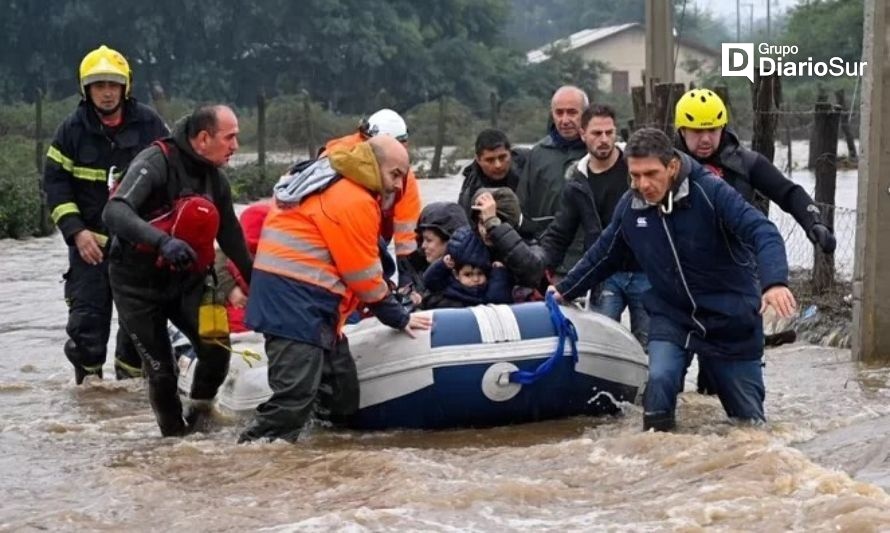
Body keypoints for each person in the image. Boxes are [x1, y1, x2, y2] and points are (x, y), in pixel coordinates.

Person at [549, 128, 796, 431]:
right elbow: (603, 255)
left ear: (673, 166)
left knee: (749, 427)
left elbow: (764, 232)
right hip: (672, 317)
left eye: (651, 174)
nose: (643, 184)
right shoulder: (631, 206)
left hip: (731, 318)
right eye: (635, 175)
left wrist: (774, 283)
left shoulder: (711, 192)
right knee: (659, 381)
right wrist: (563, 290)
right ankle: (657, 457)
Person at [240, 136, 431, 443]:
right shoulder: (353, 198)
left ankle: (326, 460)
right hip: (294, 307)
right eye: (395, 175)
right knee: (293, 399)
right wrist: (401, 317)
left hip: (311, 307)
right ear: (373, 164)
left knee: (341, 394)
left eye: (403, 177)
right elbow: (364, 278)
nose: (398, 186)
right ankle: (245, 458)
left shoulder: (338, 183)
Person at [103, 105, 253, 437]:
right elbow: (114, 212)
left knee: (217, 351)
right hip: (136, 285)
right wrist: (161, 242)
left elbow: (231, 237)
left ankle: (200, 422)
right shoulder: (155, 162)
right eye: (230, 137)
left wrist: (256, 282)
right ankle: (173, 441)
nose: (236, 146)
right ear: (203, 139)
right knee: (162, 371)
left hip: (186, 280)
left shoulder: (216, 180)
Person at [674, 88, 837, 388]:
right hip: (683, 279)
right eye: (696, 131)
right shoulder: (663, 166)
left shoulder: (747, 163)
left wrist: (814, 223)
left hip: (735, 277)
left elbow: (790, 193)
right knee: (668, 374)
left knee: (717, 382)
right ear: (681, 130)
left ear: (723, 127)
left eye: (711, 129)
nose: (705, 138)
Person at [43, 44, 169, 384]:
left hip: (138, 249)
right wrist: (77, 232)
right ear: (87, 89)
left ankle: (129, 405)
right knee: (87, 331)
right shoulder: (71, 130)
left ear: (125, 87)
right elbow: (55, 185)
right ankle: (91, 402)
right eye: (99, 85)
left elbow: (172, 175)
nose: (107, 93)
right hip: (90, 250)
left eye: (113, 85)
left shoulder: (150, 124)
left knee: (139, 335)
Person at [541, 104, 649, 345]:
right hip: (604, 273)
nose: (604, 140)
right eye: (596, 134)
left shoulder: (637, 168)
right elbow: (560, 233)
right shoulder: (577, 181)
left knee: (649, 344)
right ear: (582, 135)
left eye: (609, 133)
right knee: (600, 344)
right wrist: (539, 265)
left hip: (646, 270)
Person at [320, 108, 422, 283]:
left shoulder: (403, 177)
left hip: (375, 240)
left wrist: (409, 286)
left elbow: (407, 238)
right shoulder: (334, 159)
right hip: (331, 239)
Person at [516, 85, 589, 272]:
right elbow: (522, 208)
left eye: (572, 112)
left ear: (585, 114)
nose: (565, 120)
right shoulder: (538, 154)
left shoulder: (600, 152)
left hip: (590, 258)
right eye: (559, 113)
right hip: (548, 259)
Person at [471, 188, 546, 298]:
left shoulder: (532, 248)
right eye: (481, 222)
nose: (485, 230)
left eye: (498, 221)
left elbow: (533, 272)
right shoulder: (469, 243)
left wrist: (494, 226)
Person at [420, 227, 512, 310]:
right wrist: (442, 264)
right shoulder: (449, 291)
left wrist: (499, 274)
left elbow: (499, 302)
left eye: (480, 273)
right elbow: (429, 280)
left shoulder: (488, 291)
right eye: (468, 275)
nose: (476, 279)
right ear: (456, 274)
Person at [214, 201, 271, 333]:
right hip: (239, 309)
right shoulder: (230, 249)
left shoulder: (281, 254)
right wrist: (230, 289)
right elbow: (217, 263)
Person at [457, 129, 526, 219]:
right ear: (478, 160)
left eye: (502, 157)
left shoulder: (529, 165)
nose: (498, 165)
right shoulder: (470, 191)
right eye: (490, 160)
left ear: (510, 153)